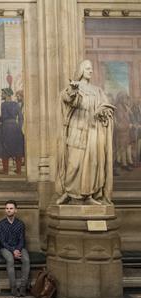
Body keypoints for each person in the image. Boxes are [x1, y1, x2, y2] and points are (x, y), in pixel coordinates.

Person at [56, 60, 115, 205]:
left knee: (93, 163)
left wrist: (104, 111)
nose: (91, 71)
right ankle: (69, 192)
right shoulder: (73, 87)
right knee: (73, 163)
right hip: (77, 130)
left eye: (92, 68)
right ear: (81, 70)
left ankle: (88, 196)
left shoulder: (97, 91)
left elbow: (107, 106)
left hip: (94, 131)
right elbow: (69, 100)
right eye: (88, 68)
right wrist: (73, 92)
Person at [0, 200, 30, 297]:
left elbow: (22, 239)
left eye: (11, 208)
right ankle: (13, 287)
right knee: (10, 260)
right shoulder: (1, 224)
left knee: (26, 260)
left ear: (15, 210)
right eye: (7, 208)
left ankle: (23, 287)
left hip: (19, 247)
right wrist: (13, 251)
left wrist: (18, 250)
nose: (9, 210)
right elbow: (2, 241)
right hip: (5, 248)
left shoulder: (20, 224)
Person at [0, 88, 25, 175]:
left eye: (2, 94)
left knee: (4, 147)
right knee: (17, 148)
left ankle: (5, 170)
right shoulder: (16, 104)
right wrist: (19, 127)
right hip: (15, 127)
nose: (1, 95)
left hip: (6, 127)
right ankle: (18, 170)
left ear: (7, 95)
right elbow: (21, 117)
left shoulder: (4, 104)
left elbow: (3, 117)